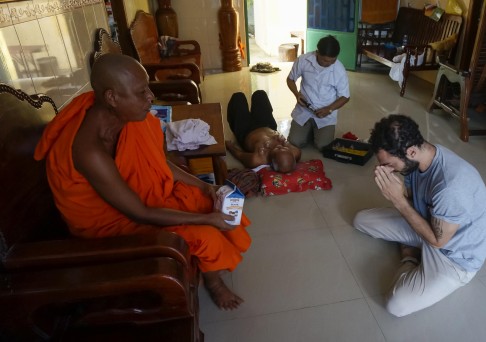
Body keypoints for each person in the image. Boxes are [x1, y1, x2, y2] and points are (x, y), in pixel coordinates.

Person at [34, 53, 252, 311]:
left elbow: (160, 163)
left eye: (147, 87)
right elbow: (141, 213)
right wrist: (206, 220)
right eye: (141, 92)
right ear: (112, 97)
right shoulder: (89, 150)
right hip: (110, 226)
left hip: (134, 200)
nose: (150, 96)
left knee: (205, 199)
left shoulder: (124, 118)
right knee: (204, 232)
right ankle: (213, 283)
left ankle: (211, 262)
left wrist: (205, 185)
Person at [353, 114, 486, 317]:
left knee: (396, 306)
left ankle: (410, 257)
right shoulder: (418, 160)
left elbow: (437, 241)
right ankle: (415, 248)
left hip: (454, 255)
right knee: (361, 221)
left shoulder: (451, 186)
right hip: (428, 225)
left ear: (412, 151)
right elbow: (415, 200)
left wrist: (398, 200)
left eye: (389, 163)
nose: (386, 168)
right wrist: (395, 187)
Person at [287, 35, 350, 151]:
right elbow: (290, 79)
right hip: (304, 109)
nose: (328, 64)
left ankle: (314, 131)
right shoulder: (303, 60)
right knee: (295, 142)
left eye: (332, 60)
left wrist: (329, 109)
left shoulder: (339, 69)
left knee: (323, 146)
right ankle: (309, 130)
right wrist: (297, 94)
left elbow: (345, 96)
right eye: (325, 60)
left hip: (325, 113)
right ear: (317, 53)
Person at [225, 90, 301, 173]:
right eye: (284, 148)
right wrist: (286, 143)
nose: (280, 146)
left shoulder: (257, 159)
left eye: (278, 149)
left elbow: (239, 155)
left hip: (246, 131)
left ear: (272, 161)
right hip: (267, 125)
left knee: (238, 97)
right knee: (260, 94)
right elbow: (296, 150)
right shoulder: (294, 153)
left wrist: (230, 146)